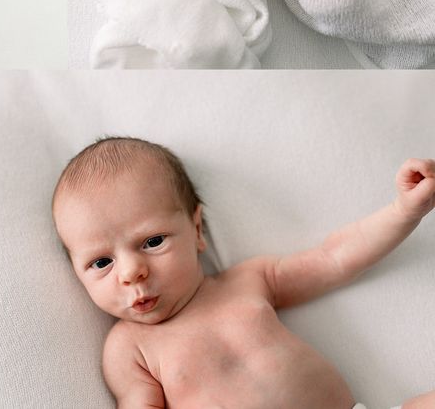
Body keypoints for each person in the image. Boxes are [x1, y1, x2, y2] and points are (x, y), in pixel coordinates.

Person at [53, 136, 435, 408]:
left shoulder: (246, 282)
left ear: (197, 231)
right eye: (101, 263)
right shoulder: (129, 347)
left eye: (152, 242)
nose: (132, 272)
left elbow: (335, 258)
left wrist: (404, 211)